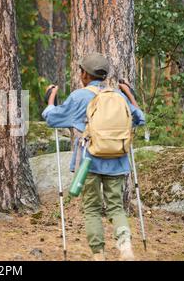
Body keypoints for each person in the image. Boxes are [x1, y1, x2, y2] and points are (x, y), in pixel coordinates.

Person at [42, 52, 145, 261]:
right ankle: (125, 245)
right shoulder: (118, 95)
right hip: (117, 160)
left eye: (81, 71)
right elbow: (139, 118)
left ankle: (99, 255)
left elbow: (51, 118)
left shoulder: (79, 97)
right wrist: (129, 94)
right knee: (116, 205)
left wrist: (51, 96)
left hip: (89, 161)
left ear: (85, 75)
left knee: (92, 208)